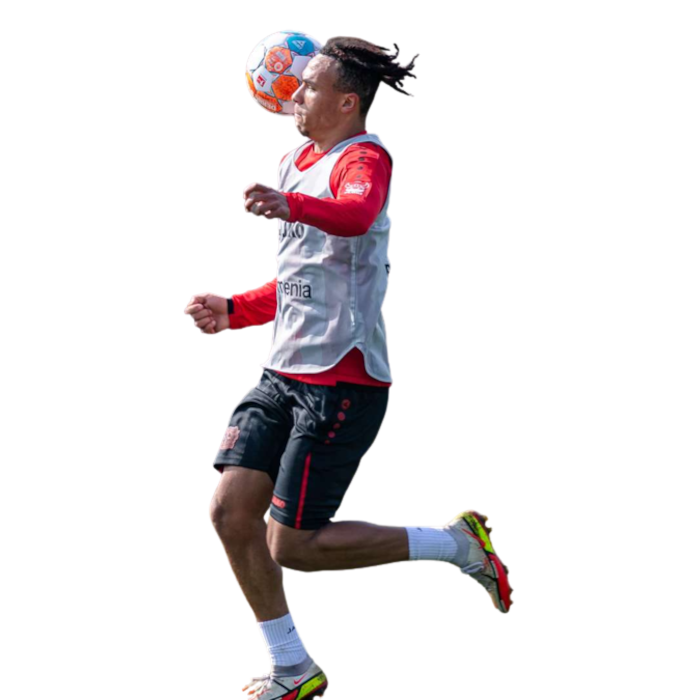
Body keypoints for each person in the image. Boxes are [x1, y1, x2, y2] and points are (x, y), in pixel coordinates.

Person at [183, 36, 512, 700]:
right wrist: (235, 308)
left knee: (293, 546)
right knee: (229, 513)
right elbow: (297, 277)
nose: (295, 94)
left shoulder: (366, 158)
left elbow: (357, 216)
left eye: (310, 86)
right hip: (282, 373)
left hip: (342, 380)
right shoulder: (291, 163)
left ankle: (455, 543)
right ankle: (293, 668)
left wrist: (292, 206)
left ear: (346, 102)